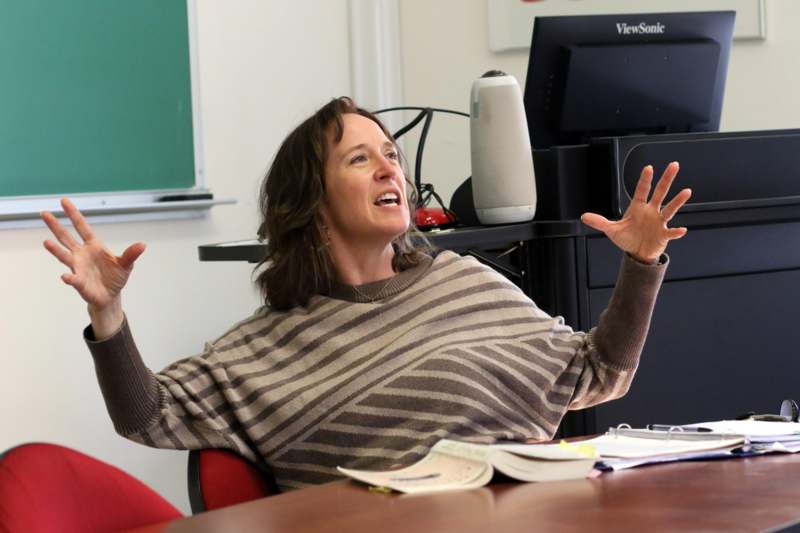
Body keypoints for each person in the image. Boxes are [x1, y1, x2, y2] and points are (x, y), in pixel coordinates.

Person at [41, 97, 691, 492]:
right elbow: (146, 414)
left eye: (391, 154)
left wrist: (640, 262)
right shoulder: (267, 348)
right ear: (310, 202)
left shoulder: (465, 284)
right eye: (360, 159)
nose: (390, 168)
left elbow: (599, 370)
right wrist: (109, 313)